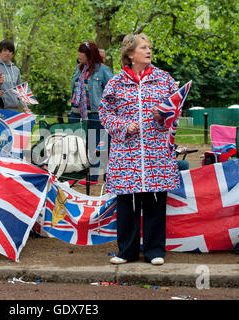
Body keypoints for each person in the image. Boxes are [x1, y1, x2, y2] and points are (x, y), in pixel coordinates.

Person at [99, 33, 180, 266]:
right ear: (130, 54)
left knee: (155, 203)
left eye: (150, 47)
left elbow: (177, 108)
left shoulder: (165, 79)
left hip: (156, 152)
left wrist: (163, 114)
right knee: (128, 203)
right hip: (127, 154)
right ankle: (127, 251)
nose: (149, 50)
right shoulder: (115, 82)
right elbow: (105, 113)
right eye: (143, 47)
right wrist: (124, 126)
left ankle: (155, 251)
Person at [69, 41, 113, 185]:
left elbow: (113, 91)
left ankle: (95, 177)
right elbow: (75, 89)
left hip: (94, 113)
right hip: (76, 113)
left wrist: (108, 110)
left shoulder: (103, 70)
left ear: (89, 54)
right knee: (77, 144)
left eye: (81, 52)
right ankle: (75, 174)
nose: (79, 55)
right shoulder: (79, 68)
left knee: (96, 145)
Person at [0, 39, 23, 111]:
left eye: (10, 51)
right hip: (0, 108)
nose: (7, 53)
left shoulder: (16, 70)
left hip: (15, 108)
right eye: (5, 50)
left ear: (12, 54)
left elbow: (20, 89)